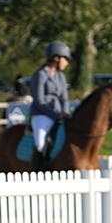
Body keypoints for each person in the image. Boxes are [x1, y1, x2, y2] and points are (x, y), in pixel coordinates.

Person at [30, 41, 71, 170]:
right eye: (65, 59)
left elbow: (64, 98)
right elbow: (39, 100)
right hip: (42, 114)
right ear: (56, 58)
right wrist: (55, 115)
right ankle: (38, 169)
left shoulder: (61, 76)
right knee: (41, 142)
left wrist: (64, 113)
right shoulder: (40, 75)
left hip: (58, 113)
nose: (67, 63)